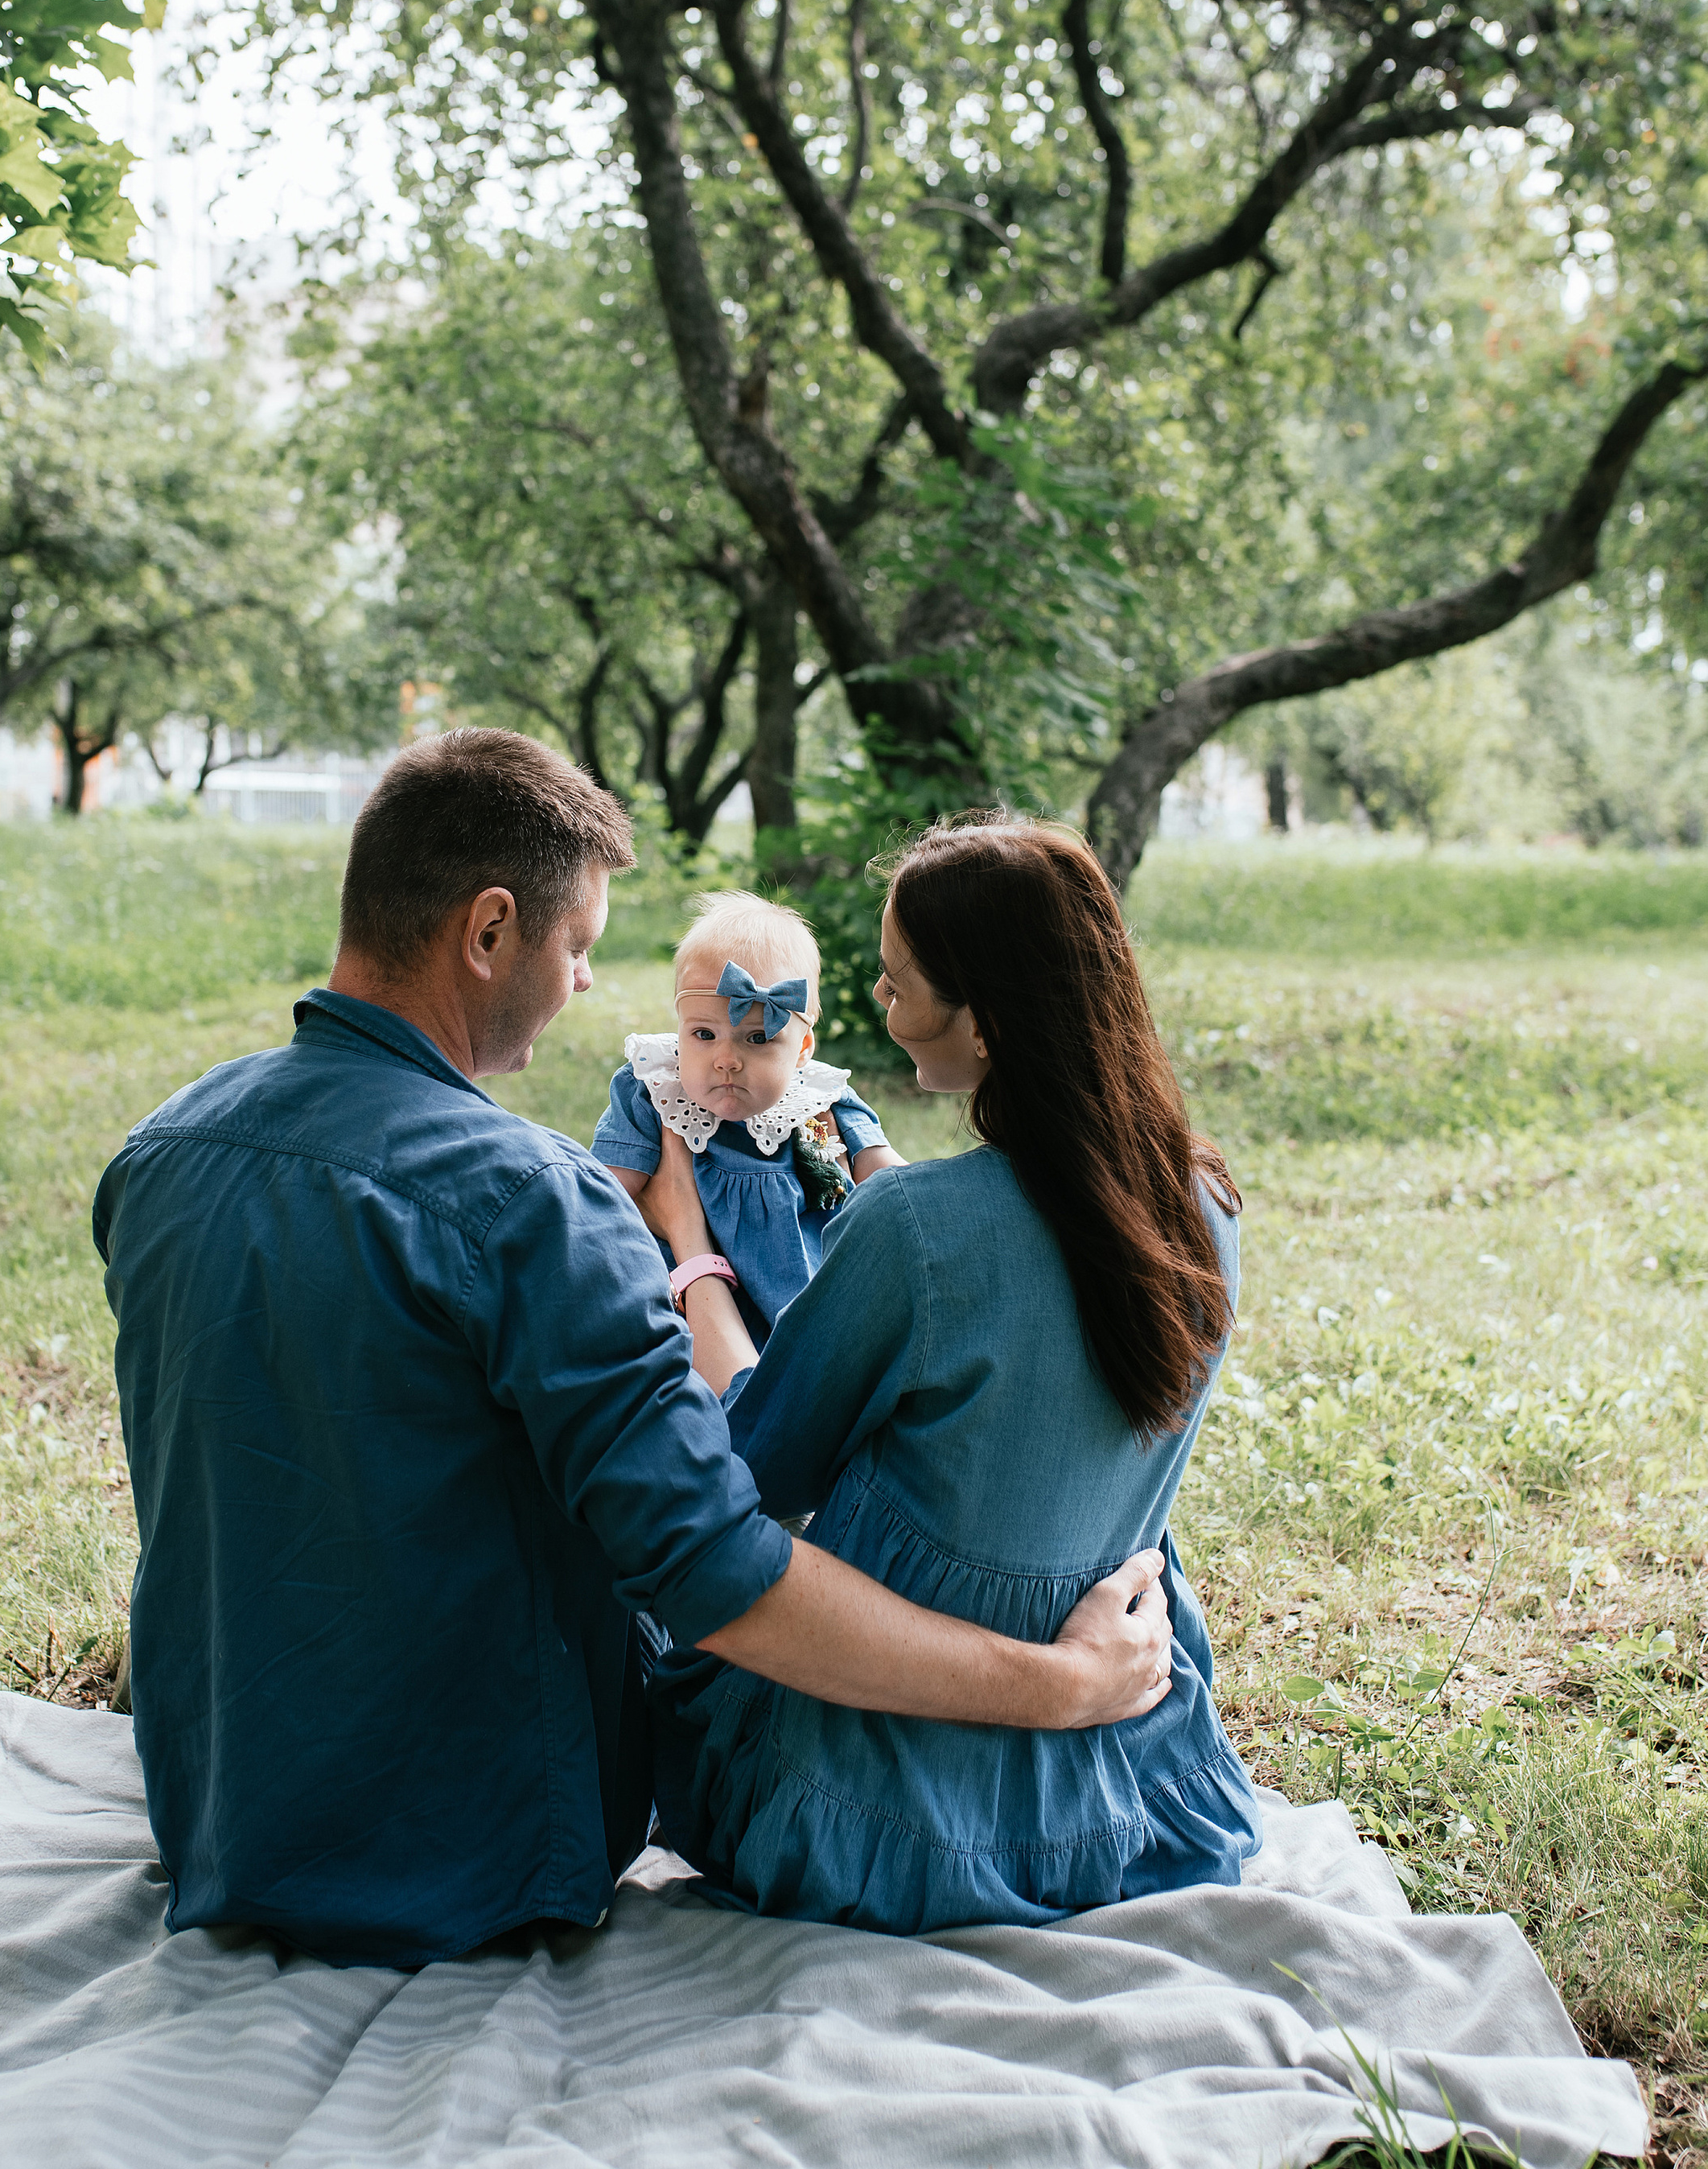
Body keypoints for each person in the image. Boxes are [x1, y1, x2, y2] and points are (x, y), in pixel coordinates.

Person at [93, 731, 1180, 1969]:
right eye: (578, 946)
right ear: (489, 930)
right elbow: (718, 1576)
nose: (584, 983)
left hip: (224, 1819)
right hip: (476, 1858)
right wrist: (1063, 1685)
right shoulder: (535, 1206)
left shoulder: (160, 1155)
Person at [644, 813, 1264, 1935]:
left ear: (982, 1021)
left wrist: (691, 1257)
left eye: (897, 983)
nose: (879, 1004)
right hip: (1130, 1790)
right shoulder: (1204, 1205)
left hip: (879, 1813)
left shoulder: (916, 1232)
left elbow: (751, 1472)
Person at [591, 891, 904, 1340]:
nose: (726, 1060)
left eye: (757, 1039)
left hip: (813, 1308)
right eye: (704, 1034)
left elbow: (891, 1180)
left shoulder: (821, 1097)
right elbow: (605, 1194)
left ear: (802, 1049)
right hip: (688, 1312)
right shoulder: (654, 1089)